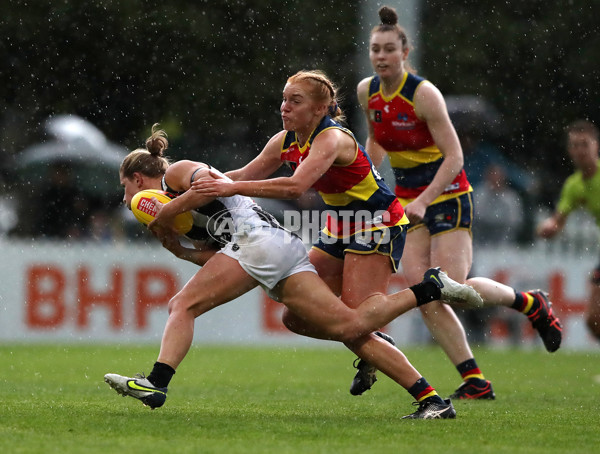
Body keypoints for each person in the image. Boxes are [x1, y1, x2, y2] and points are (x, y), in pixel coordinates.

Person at [104, 125, 484, 419]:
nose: (126, 200)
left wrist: (165, 214)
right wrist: (182, 251)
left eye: (125, 189)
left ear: (139, 180)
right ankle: (431, 396)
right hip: (270, 248)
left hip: (263, 243)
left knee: (181, 305)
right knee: (348, 327)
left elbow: (206, 185)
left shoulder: (177, 175)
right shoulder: (185, 221)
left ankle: (156, 384)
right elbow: (224, 263)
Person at [354, 5, 562, 399]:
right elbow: (376, 140)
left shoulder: (423, 94)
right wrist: (370, 186)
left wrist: (424, 199)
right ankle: (474, 380)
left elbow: (455, 158)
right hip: (407, 198)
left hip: (448, 192)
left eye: (388, 50)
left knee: (454, 288)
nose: (380, 57)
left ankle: (531, 303)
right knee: (423, 291)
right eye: (374, 50)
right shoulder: (367, 91)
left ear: (404, 53)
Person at [537, 119, 600, 342]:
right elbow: (558, 220)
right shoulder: (574, 185)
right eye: (575, 145)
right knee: (593, 320)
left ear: (596, 146)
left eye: (585, 144)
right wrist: (548, 227)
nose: (580, 150)